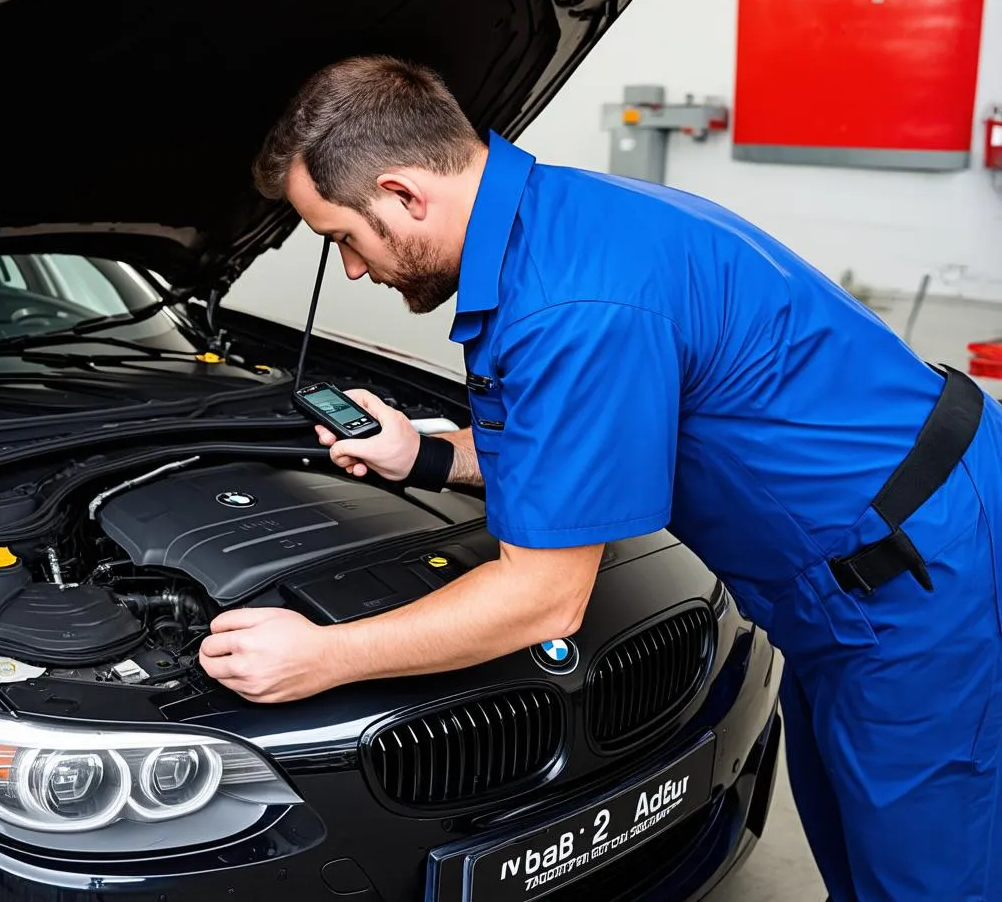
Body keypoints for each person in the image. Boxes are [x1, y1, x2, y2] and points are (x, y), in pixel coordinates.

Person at [198, 54, 1002, 902]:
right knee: (854, 843)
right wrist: (424, 455)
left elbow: (545, 599)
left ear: (402, 194)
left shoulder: (569, 305)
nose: (354, 269)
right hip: (854, 567)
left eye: (343, 240)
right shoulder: (555, 222)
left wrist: (322, 656)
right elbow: (567, 451)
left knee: (922, 875)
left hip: (919, 574)